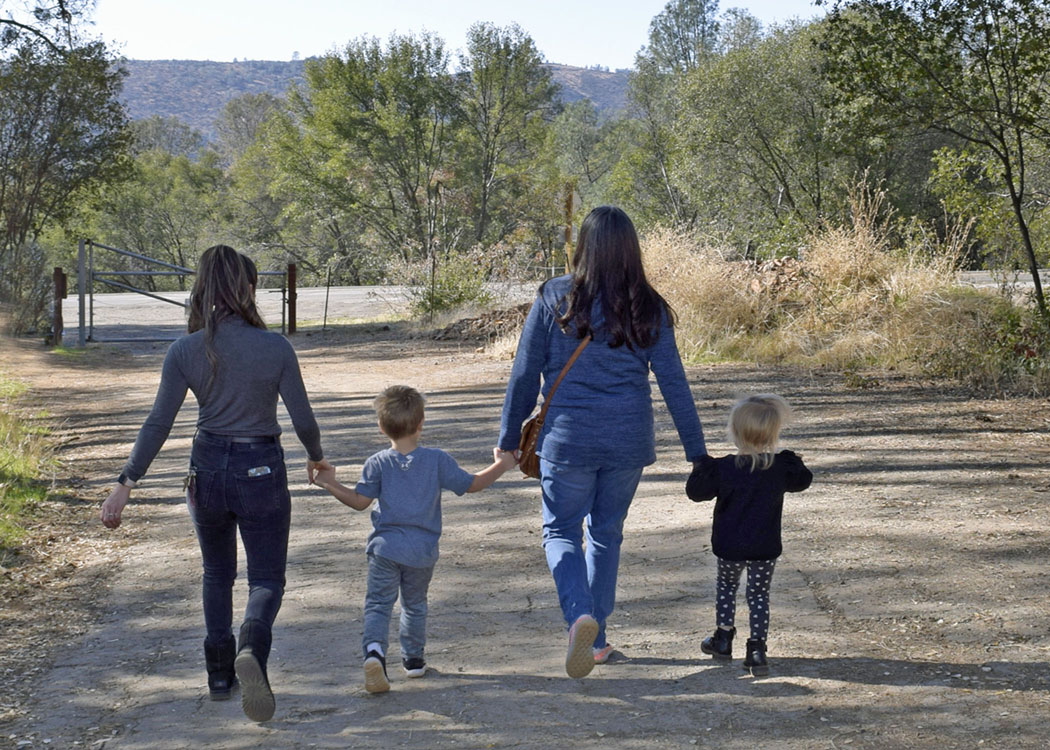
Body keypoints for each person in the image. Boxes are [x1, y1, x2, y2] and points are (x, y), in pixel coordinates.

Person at [99, 245, 331, 723]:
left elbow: (157, 423)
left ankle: (220, 675)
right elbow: (303, 419)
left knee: (216, 573)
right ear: (247, 288)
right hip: (261, 466)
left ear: (203, 289)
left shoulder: (185, 349)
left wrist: (126, 482)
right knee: (266, 577)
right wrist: (316, 457)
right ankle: (252, 647)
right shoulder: (274, 348)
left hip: (206, 469)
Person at [498, 205, 707, 679]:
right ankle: (598, 640)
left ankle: (580, 618)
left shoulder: (555, 297)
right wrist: (697, 452)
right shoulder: (648, 306)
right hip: (626, 441)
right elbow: (675, 383)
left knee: (561, 531)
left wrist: (509, 438)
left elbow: (525, 372)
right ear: (631, 249)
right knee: (607, 534)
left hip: (567, 441)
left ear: (584, 247)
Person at [312, 385, 517, 694]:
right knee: (415, 605)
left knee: (379, 604)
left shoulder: (377, 463)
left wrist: (330, 483)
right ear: (422, 424)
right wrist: (502, 464)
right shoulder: (437, 461)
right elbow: (472, 484)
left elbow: (359, 501)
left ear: (381, 428)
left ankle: (374, 653)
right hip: (421, 552)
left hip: (384, 550)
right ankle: (413, 661)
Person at [685, 393, 812, 676]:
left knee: (726, 589)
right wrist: (792, 460)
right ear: (774, 433)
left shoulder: (724, 468)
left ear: (735, 432)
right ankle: (756, 648)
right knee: (758, 595)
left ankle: (723, 638)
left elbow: (696, 492)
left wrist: (701, 466)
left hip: (729, 546)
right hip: (764, 547)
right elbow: (803, 480)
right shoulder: (779, 468)